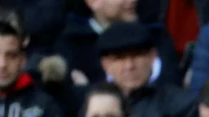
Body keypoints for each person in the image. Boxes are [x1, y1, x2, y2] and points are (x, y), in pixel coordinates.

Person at [95, 22, 193, 117]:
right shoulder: (91, 104)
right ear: (105, 64)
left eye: (137, 56)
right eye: (120, 58)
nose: (129, 66)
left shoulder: (180, 104)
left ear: (152, 57)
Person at [52, 1, 180, 89]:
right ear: (93, 1)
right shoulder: (72, 44)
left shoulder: (156, 37)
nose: (132, 0)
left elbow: (171, 88)